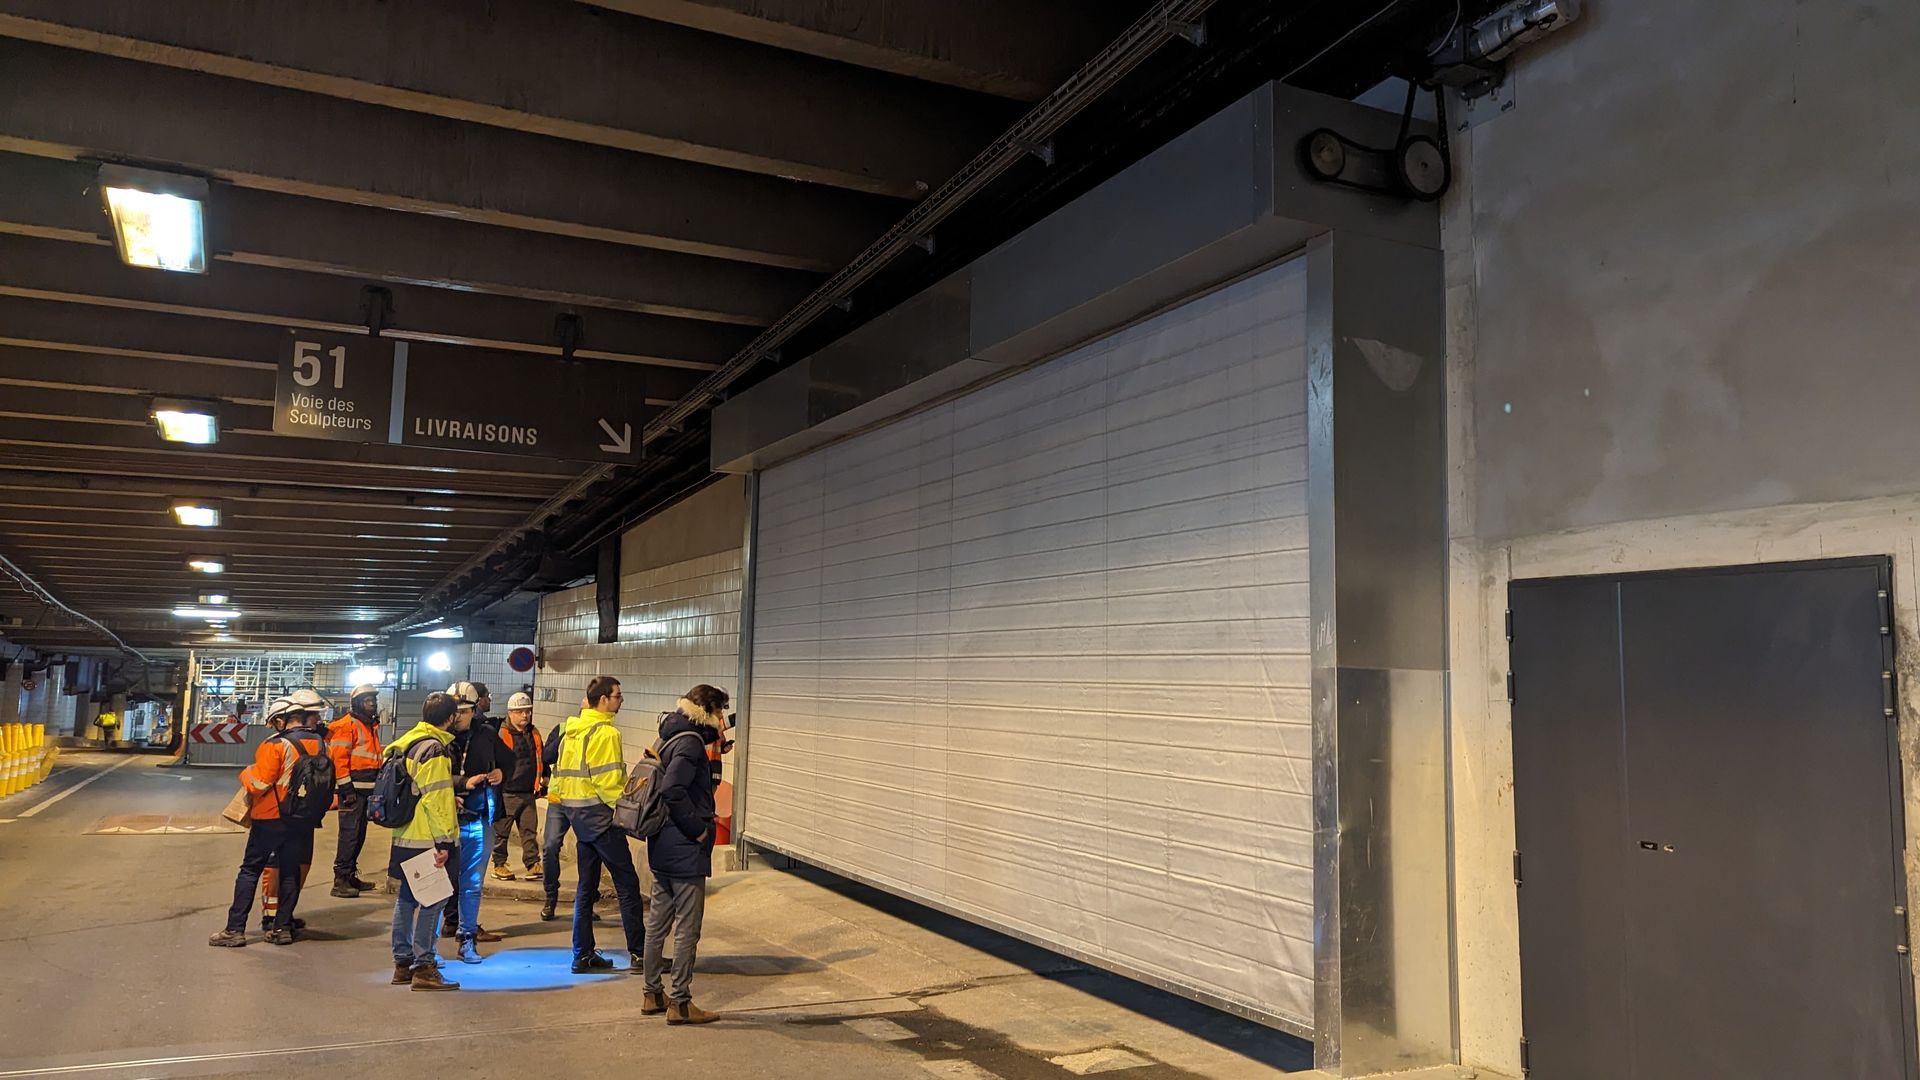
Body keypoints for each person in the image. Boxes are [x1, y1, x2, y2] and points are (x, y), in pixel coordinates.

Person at [208, 690, 332, 948]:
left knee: (250, 870)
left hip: (269, 818)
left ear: (282, 720)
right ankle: (282, 928)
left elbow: (258, 784)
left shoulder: (274, 745)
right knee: (290, 871)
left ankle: (235, 929)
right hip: (301, 818)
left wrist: (246, 773)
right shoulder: (321, 744)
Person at [641, 685, 730, 1024]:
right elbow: (673, 789)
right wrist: (698, 829)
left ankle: (652, 993)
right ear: (706, 710)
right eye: (719, 711)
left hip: (661, 843)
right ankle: (680, 1002)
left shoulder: (670, 733)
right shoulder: (691, 743)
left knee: (658, 923)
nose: (722, 718)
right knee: (687, 928)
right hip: (684, 846)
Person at [549, 675, 645, 974]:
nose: (621, 699)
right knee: (628, 885)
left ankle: (583, 954)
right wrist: (630, 808)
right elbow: (608, 783)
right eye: (617, 695)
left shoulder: (571, 731)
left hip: (577, 817)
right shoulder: (605, 734)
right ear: (603, 699)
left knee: (585, 888)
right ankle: (641, 954)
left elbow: (564, 776)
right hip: (602, 819)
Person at [387, 692, 464, 991]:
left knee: (407, 899)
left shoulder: (409, 742)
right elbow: (435, 799)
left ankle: (402, 963)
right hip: (427, 838)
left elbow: (420, 790)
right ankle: (424, 966)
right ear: (450, 718)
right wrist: (444, 843)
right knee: (434, 899)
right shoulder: (435, 749)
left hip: (405, 833)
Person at [442, 681, 511, 961]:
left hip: (476, 819)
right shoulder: (436, 740)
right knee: (439, 883)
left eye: (464, 711)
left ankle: (467, 937)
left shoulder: (486, 735)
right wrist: (457, 785)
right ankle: (421, 951)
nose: (458, 717)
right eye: (454, 711)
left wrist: (500, 773)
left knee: (471, 883)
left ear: (474, 710)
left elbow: (509, 761)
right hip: (441, 822)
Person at [327, 685, 385, 897]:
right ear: (358, 703)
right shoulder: (346, 725)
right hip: (352, 790)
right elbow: (339, 759)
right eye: (368, 700)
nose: (373, 703)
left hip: (366, 789)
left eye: (374, 700)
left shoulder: (369, 725)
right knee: (349, 835)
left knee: (359, 834)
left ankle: (350, 875)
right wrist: (346, 788)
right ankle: (340, 880)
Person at [492, 692, 543, 880]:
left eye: (527, 712)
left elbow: (539, 758)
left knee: (529, 831)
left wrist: (542, 780)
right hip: (507, 793)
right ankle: (499, 864)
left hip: (528, 791)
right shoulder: (502, 734)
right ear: (510, 713)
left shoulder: (534, 733)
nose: (525, 716)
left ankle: (532, 864)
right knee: (501, 831)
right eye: (520, 712)